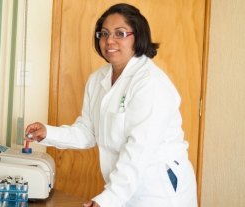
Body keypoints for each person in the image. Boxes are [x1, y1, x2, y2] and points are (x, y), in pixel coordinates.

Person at [25, 3, 197, 207]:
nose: (109, 40)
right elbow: (88, 132)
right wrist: (47, 133)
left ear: (137, 36)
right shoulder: (98, 79)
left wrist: (109, 199)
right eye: (104, 33)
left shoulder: (150, 83)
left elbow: (139, 149)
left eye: (120, 33)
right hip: (123, 186)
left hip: (158, 190)